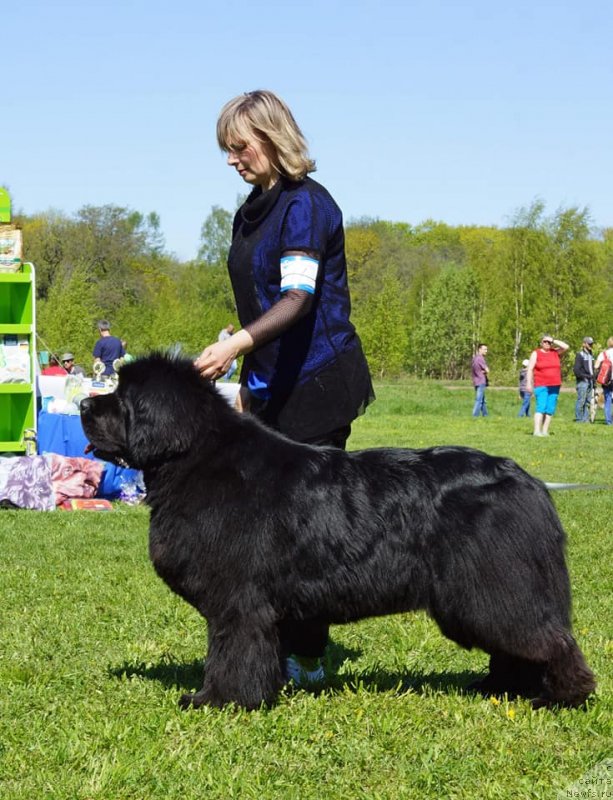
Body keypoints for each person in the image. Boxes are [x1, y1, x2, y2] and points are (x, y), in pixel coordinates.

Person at [194, 89, 374, 685]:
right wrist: (243, 362)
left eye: (238, 147)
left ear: (271, 139)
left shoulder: (307, 206)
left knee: (310, 525)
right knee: (267, 526)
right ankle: (268, 648)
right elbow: (262, 300)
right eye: (226, 149)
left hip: (319, 383)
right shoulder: (253, 208)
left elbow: (297, 300)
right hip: (271, 385)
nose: (230, 160)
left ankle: (309, 656)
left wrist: (236, 344)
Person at [525, 334, 570, 437]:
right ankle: (537, 430)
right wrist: (528, 383)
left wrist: (553, 340)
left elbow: (566, 347)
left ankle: (545, 431)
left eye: (549, 342)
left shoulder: (555, 352)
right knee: (541, 407)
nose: (547, 343)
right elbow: (530, 369)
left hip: (555, 384)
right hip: (541, 384)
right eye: (545, 341)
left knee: (550, 409)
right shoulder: (536, 353)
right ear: (541, 343)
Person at [573, 336, 594, 422]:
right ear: (584, 344)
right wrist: (585, 377)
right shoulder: (580, 355)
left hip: (591, 381)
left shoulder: (591, 354)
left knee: (588, 401)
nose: (590, 345)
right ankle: (579, 419)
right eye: (588, 343)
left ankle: (585, 419)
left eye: (591, 344)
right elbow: (576, 370)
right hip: (583, 381)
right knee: (581, 401)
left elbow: (592, 368)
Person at [594, 336, 613, 426]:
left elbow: (596, 366)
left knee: (608, 400)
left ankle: (608, 421)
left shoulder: (604, 354)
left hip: (607, 380)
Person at [471, 343, 489, 417]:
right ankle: (475, 415)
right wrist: (484, 371)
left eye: (486, 349)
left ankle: (485, 415)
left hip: (476, 380)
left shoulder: (474, 358)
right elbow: (487, 370)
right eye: (484, 349)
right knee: (479, 400)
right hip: (481, 381)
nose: (486, 351)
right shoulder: (480, 358)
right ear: (480, 349)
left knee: (483, 400)